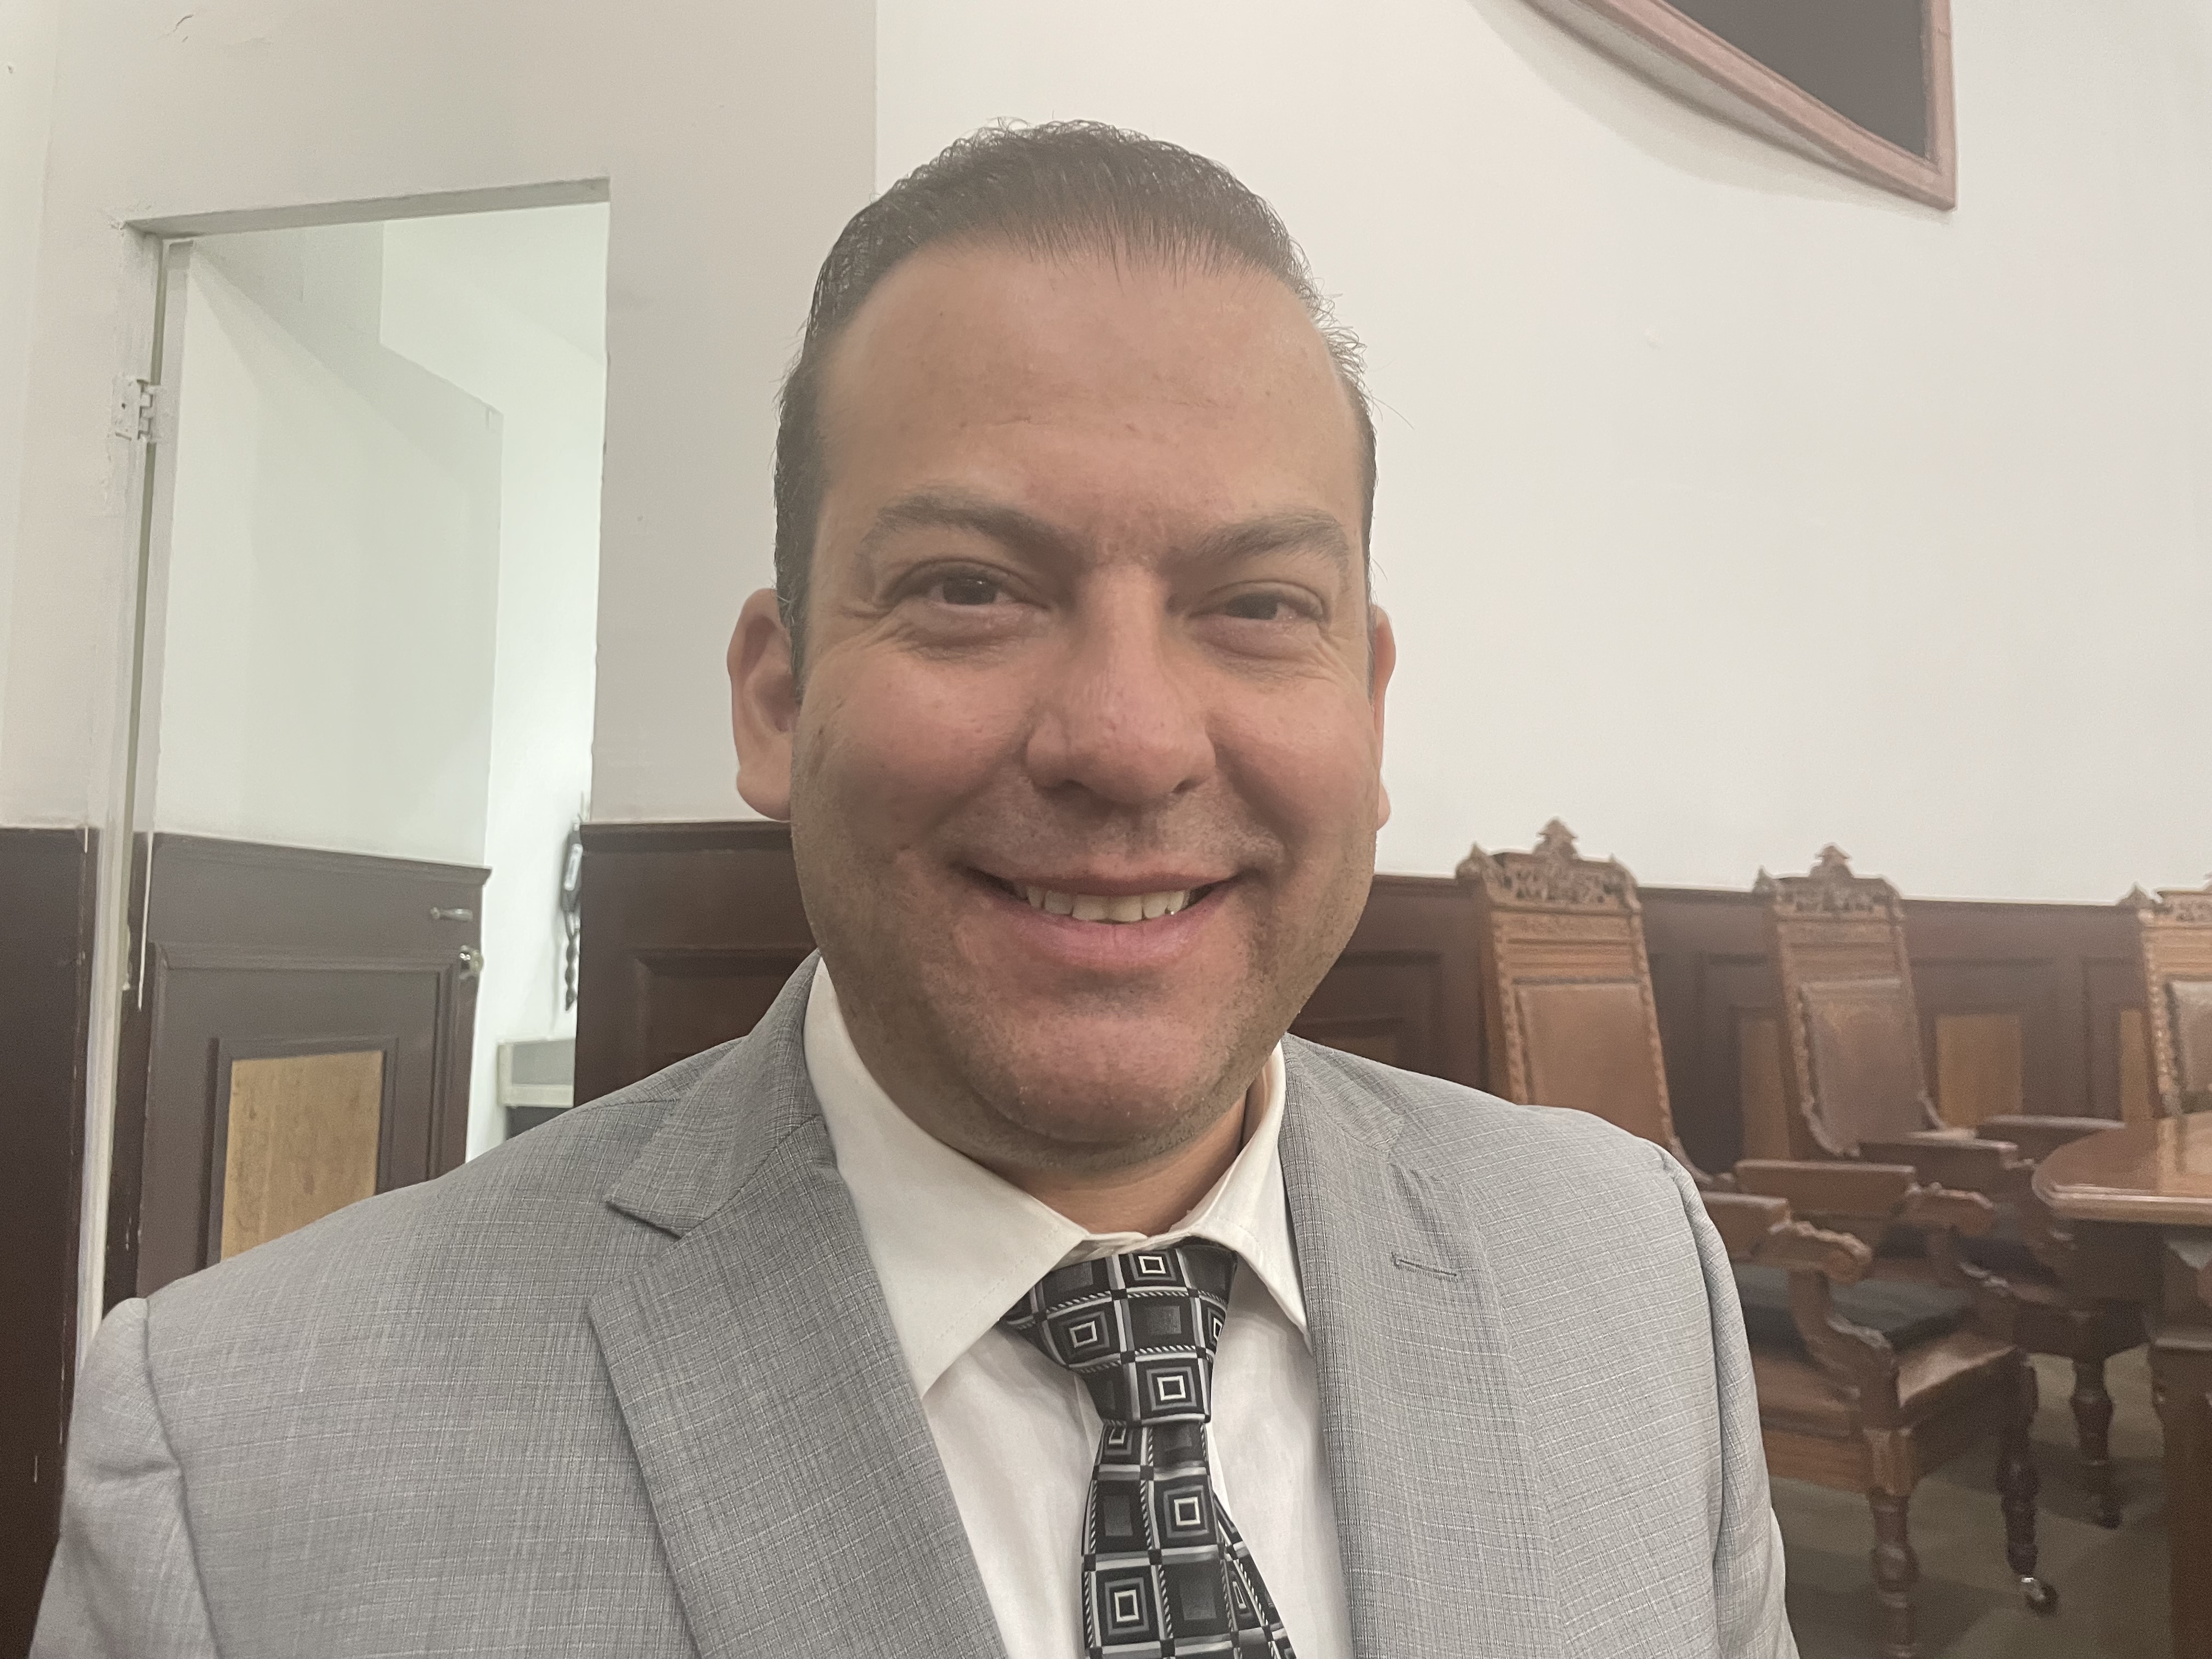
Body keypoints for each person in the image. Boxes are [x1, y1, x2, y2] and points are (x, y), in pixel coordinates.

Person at [35, 122, 1794, 1659]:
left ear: (1371, 708)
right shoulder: (237, 1469)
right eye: (970, 588)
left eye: (1257, 606)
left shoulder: (1630, 1274)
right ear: (776, 697)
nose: (1127, 741)